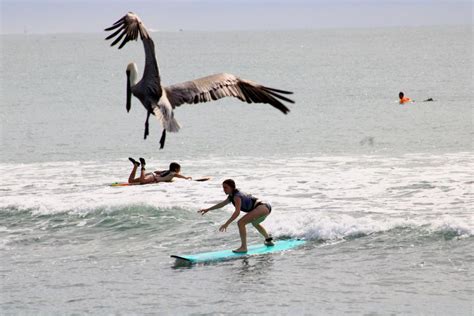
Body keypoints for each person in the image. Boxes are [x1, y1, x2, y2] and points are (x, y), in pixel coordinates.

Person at [199, 179, 274, 253]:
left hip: (262, 207)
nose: (224, 189)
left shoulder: (236, 197)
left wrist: (226, 224)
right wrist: (208, 209)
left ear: (231, 187)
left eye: (225, 187)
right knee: (255, 223)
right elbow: (222, 204)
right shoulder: (232, 196)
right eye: (223, 187)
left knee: (241, 223)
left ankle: (244, 247)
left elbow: (237, 212)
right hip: (265, 207)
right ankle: (268, 240)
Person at [127, 157, 191, 184]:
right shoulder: (172, 173)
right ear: (176, 169)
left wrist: (167, 179)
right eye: (179, 169)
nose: (179, 170)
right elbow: (177, 175)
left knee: (131, 181)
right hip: (152, 177)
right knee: (143, 181)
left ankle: (135, 165)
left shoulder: (167, 171)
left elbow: (156, 172)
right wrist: (185, 178)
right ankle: (143, 166)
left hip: (152, 175)